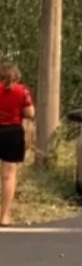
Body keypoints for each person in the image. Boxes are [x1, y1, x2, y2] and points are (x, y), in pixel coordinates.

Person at [0, 63, 35, 227]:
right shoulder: (23, 91)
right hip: (12, 134)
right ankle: (5, 216)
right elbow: (30, 113)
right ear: (17, 76)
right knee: (8, 176)